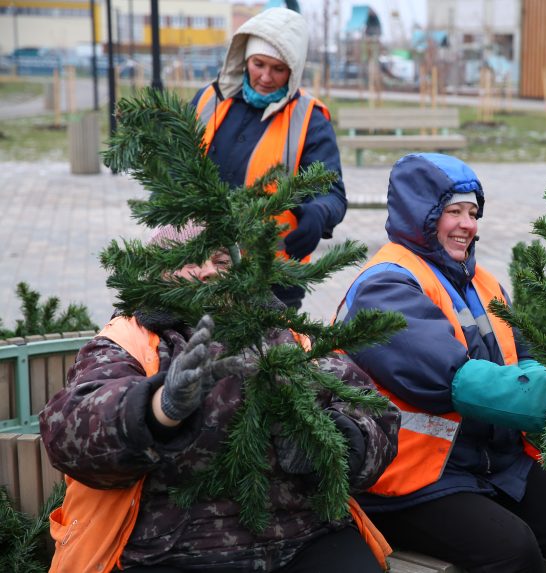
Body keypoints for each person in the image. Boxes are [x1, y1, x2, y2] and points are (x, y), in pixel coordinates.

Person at [40, 224, 399, 573]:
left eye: (222, 262)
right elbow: (69, 432)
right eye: (193, 259)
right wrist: (157, 409)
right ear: (160, 271)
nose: (210, 272)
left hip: (304, 536)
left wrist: (330, 440)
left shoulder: (289, 336)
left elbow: (371, 410)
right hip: (170, 550)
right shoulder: (131, 340)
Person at [335, 153, 546, 573]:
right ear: (420, 214)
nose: (468, 224)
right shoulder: (384, 286)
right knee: (511, 551)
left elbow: (521, 359)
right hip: (408, 476)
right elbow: (450, 377)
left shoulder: (483, 282)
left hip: (485, 461)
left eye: (473, 212)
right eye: (452, 211)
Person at [191, 7, 346, 309]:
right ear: (244, 58)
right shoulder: (208, 101)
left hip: (272, 280)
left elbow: (332, 191)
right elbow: (174, 164)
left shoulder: (309, 120)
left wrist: (318, 213)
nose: (265, 77)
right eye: (258, 63)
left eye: (278, 69)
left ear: (294, 70)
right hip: (198, 267)